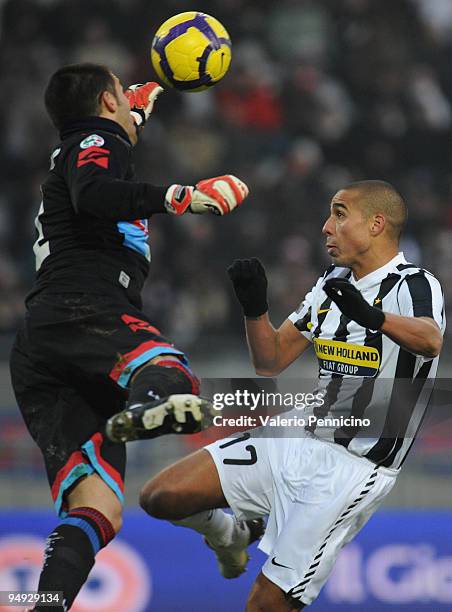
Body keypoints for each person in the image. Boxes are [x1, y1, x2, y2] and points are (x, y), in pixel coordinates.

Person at [129, 180, 445, 611]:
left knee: (266, 606)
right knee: (161, 496)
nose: (325, 227)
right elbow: (271, 359)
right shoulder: (332, 283)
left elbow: (430, 340)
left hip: (352, 466)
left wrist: (371, 315)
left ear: (376, 223)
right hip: (296, 434)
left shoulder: (415, 283)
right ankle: (232, 535)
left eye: (338, 213)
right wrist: (253, 307)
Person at [9, 62, 250, 612]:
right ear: (104, 101)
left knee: (95, 511)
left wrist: (130, 113)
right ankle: (152, 403)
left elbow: (95, 162)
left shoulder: (86, 139)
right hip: (85, 308)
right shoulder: (95, 140)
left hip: (42, 343)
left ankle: (44, 607)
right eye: (121, 92)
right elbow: (96, 190)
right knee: (171, 372)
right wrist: (187, 197)